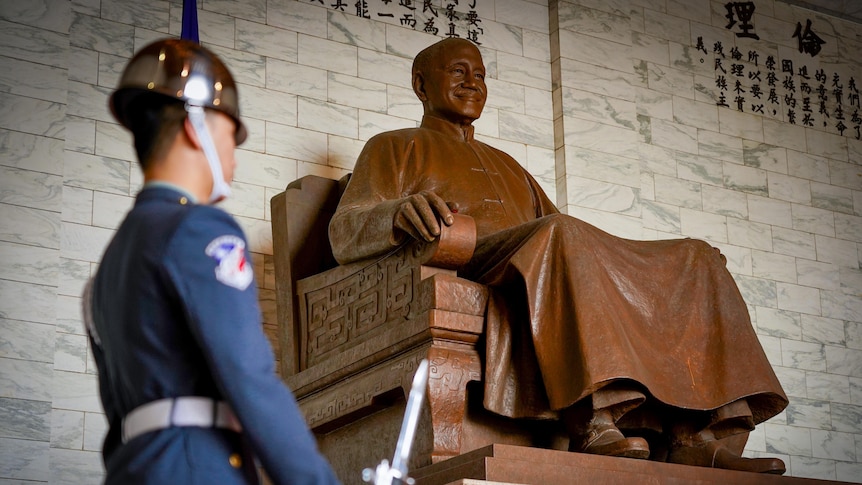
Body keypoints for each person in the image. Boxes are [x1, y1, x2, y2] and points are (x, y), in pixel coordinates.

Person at [328, 37, 789, 474]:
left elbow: (571, 243)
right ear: (421, 85)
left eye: (482, 75)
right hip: (467, 259)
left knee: (695, 256)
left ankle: (701, 437)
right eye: (458, 71)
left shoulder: (510, 166)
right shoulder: (393, 146)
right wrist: (396, 212)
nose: (473, 83)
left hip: (534, 258)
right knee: (560, 232)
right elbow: (344, 230)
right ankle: (590, 419)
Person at [82, 38, 340, 484]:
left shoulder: (108, 266)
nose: (234, 157)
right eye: (230, 135)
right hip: (196, 468)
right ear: (192, 127)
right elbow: (249, 377)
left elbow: (118, 406)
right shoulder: (201, 229)